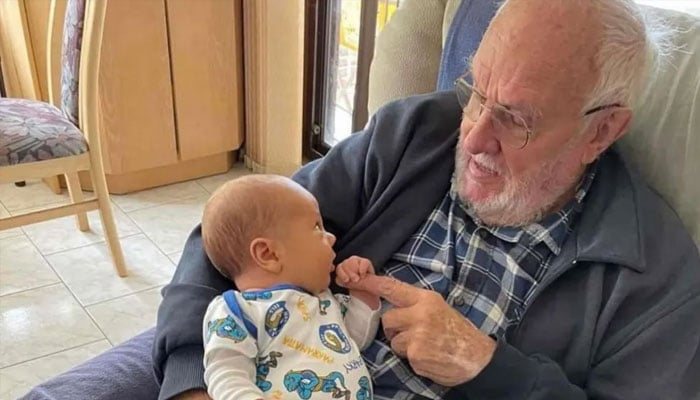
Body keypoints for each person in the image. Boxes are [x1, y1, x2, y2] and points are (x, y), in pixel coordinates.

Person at [153, 0, 700, 399]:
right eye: (478, 93)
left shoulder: (657, 278)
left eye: (516, 120)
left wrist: (487, 367)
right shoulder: (414, 133)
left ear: (601, 131)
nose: (475, 137)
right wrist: (192, 384)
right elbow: (234, 230)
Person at [199, 175, 380, 400]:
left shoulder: (325, 301)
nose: (332, 237)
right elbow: (226, 373)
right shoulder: (238, 311)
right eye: (317, 227)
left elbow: (358, 339)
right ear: (269, 254)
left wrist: (363, 291)